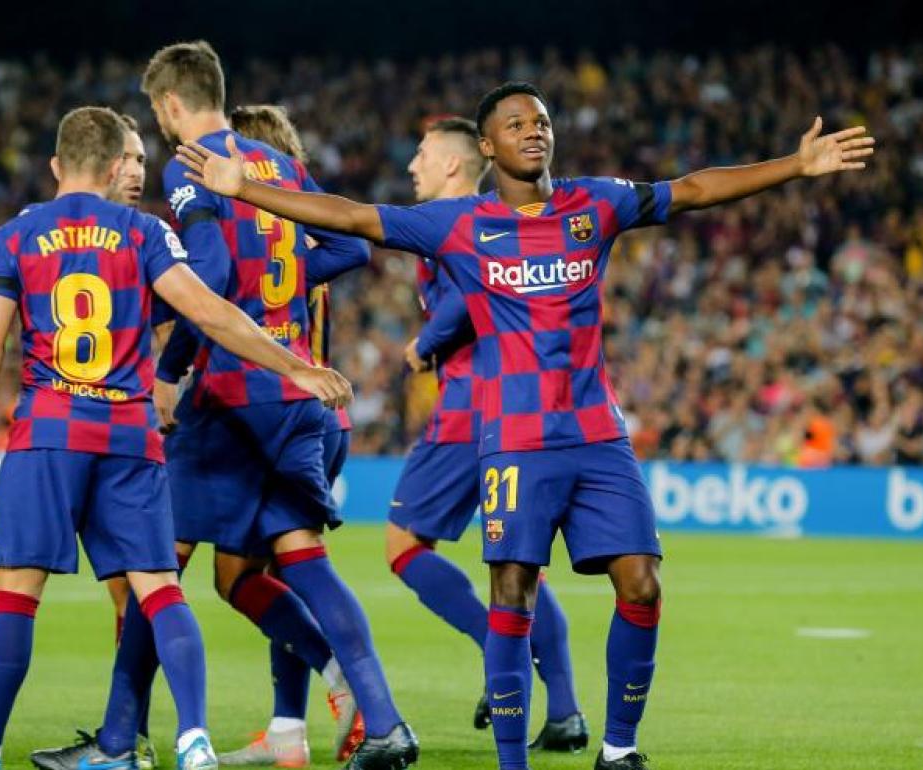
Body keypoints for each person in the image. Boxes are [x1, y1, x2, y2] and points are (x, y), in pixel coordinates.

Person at [174, 81, 875, 770]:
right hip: (515, 439)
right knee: (512, 596)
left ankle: (619, 748)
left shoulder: (593, 203)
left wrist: (795, 165)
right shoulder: (458, 224)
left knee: (642, 585)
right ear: (488, 145)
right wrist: (245, 189)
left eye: (540, 121)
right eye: (515, 124)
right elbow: (355, 217)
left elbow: (689, 190)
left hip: (599, 434)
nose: (533, 131)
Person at [0, 104, 351, 770]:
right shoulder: (146, 232)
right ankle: (192, 740)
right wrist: (295, 363)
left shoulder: (15, 235)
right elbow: (211, 310)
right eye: (136, 161)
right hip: (129, 435)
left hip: (49, 434)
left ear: (58, 165)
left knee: (12, 590)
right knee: (160, 589)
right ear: (117, 164)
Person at [144, 42, 415, 770]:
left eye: (157, 111)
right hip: (301, 392)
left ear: (171, 104)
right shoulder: (282, 167)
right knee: (282, 564)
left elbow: (213, 274)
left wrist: (170, 363)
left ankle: (123, 739)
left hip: (235, 392)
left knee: (153, 566)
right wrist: (288, 285)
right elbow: (352, 250)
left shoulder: (191, 164)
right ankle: (378, 715)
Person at [0, 114, 165, 770]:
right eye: (125, 158)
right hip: (107, 431)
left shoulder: (132, 238)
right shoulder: (143, 238)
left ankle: (122, 737)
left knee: (127, 590)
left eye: (141, 160)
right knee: (15, 583)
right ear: (102, 164)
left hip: (72, 432)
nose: (134, 170)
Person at [391, 116, 588, 750]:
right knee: (523, 565)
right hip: (515, 409)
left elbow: (474, 296)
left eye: (422, 155)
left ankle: (494, 645)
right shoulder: (500, 218)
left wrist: (427, 339)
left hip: (470, 408)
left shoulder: (465, 225)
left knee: (402, 543)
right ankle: (564, 714)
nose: (413, 166)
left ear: (453, 164)